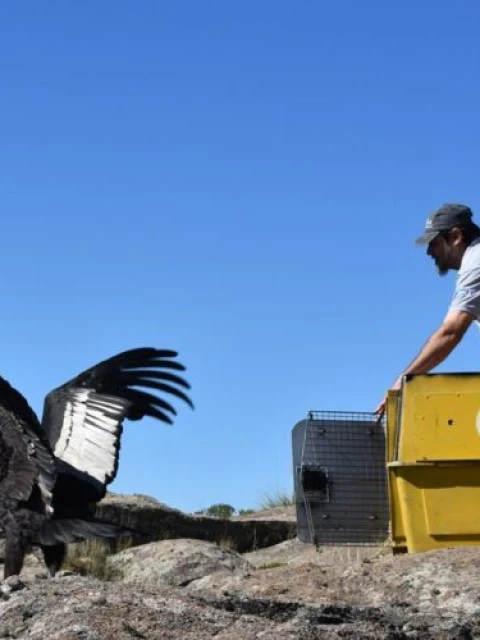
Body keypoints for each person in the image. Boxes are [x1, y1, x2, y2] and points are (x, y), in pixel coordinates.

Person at [375, 203, 480, 420]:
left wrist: (405, 379)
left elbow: (450, 332)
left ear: (456, 237)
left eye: (434, 243)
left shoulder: (476, 263)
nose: (429, 251)